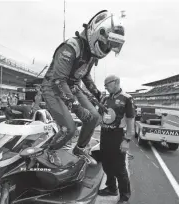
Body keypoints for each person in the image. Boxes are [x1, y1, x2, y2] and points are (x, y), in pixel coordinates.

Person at [41, 10, 125, 167]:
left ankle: (79, 149)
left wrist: (98, 94)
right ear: (96, 34)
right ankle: (49, 150)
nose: (106, 49)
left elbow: (84, 76)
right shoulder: (71, 47)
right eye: (107, 43)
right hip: (52, 87)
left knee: (94, 117)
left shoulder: (92, 53)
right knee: (69, 129)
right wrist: (77, 107)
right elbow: (58, 80)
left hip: (72, 86)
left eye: (110, 46)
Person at [98, 75, 135, 204]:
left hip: (118, 135)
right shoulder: (104, 98)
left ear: (116, 82)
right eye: (105, 85)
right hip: (104, 134)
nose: (106, 87)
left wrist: (127, 140)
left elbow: (131, 121)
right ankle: (111, 188)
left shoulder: (127, 98)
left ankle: (125, 196)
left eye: (107, 84)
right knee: (106, 164)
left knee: (119, 167)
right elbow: (100, 116)